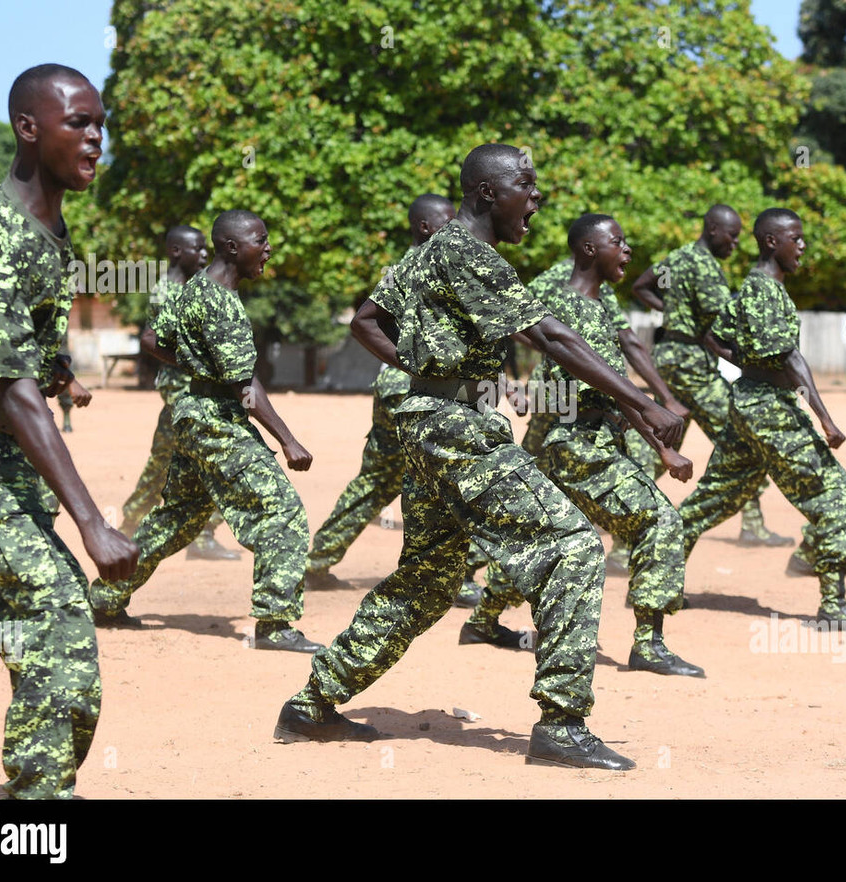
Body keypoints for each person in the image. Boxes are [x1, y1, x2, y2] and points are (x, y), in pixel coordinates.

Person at [274, 144, 685, 770]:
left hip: (432, 419)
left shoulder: (433, 250)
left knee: (428, 578)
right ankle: (562, 723)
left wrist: (420, 370)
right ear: (488, 193)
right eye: (527, 185)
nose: (537, 198)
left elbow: (365, 320)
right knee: (572, 543)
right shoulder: (467, 251)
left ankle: (312, 702)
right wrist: (644, 402)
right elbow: (548, 333)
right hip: (454, 427)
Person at [0, 64, 138, 798]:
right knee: (54, 614)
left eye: (100, 124)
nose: (95, 138)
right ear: (28, 128)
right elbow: (10, 393)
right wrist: (92, 523)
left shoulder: (48, 225)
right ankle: (39, 806)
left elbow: (27, 344)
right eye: (78, 122)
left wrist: (61, 372)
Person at [462, 214, 704, 670]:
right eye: (618, 241)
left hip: (578, 441)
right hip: (579, 443)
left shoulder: (593, 306)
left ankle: (482, 618)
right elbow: (609, 390)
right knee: (661, 521)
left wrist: (659, 444)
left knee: (547, 537)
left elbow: (613, 389)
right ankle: (648, 645)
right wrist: (663, 445)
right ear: (590, 250)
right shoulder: (570, 307)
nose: (628, 250)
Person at [89, 210, 324, 652]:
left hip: (190, 414)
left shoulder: (190, 290)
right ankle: (275, 623)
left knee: (177, 519)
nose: (268, 249)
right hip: (216, 421)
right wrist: (287, 440)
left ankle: (104, 598)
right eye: (261, 240)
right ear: (233, 247)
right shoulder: (220, 300)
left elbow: (155, 342)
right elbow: (243, 386)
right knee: (283, 514)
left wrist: (197, 368)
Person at [692, 209, 846, 630]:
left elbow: (713, 336)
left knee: (714, 499)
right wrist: (825, 419)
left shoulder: (752, 288)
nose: (803, 246)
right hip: (771, 412)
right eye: (796, 238)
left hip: (747, 404)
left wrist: (744, 365)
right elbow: (791, 360)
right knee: (838, 499)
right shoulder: (767, 291)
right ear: (772, 242)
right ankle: (833, 607)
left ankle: (656, 582)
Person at [304, 195, 458, 589]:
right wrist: (412, 365)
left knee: (377, 481)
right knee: (446, 480)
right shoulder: (427, 265)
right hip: (414, 389)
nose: (457, 228)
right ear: (424, 227)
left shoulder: (406, 268)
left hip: (395, 388)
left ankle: (317, 561)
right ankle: (442, 576)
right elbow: (366, 323)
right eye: (447, 221)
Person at [630, 205, 791, 549]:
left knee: (667, 439)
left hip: (671, 357)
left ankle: (627, 532)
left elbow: (641, 286)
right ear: (713, 229)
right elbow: (724, 320)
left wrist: (674, 311)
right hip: (692, 363)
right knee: (742, 436)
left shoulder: (678, 257)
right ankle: (751, 526)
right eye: (732, 236)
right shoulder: (705, 267)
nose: (735, 243)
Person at [117, 225, 238, 561]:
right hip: (180, 391)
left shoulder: (192, 286)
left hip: (190, 390)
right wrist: (193, 364)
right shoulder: (167, 291)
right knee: (207, 459)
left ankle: (132, 520)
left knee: (166, 461)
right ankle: (199, 537)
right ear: (175, 252)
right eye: (197, 249)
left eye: (205, 249)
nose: (204, 254)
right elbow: (153, 341)